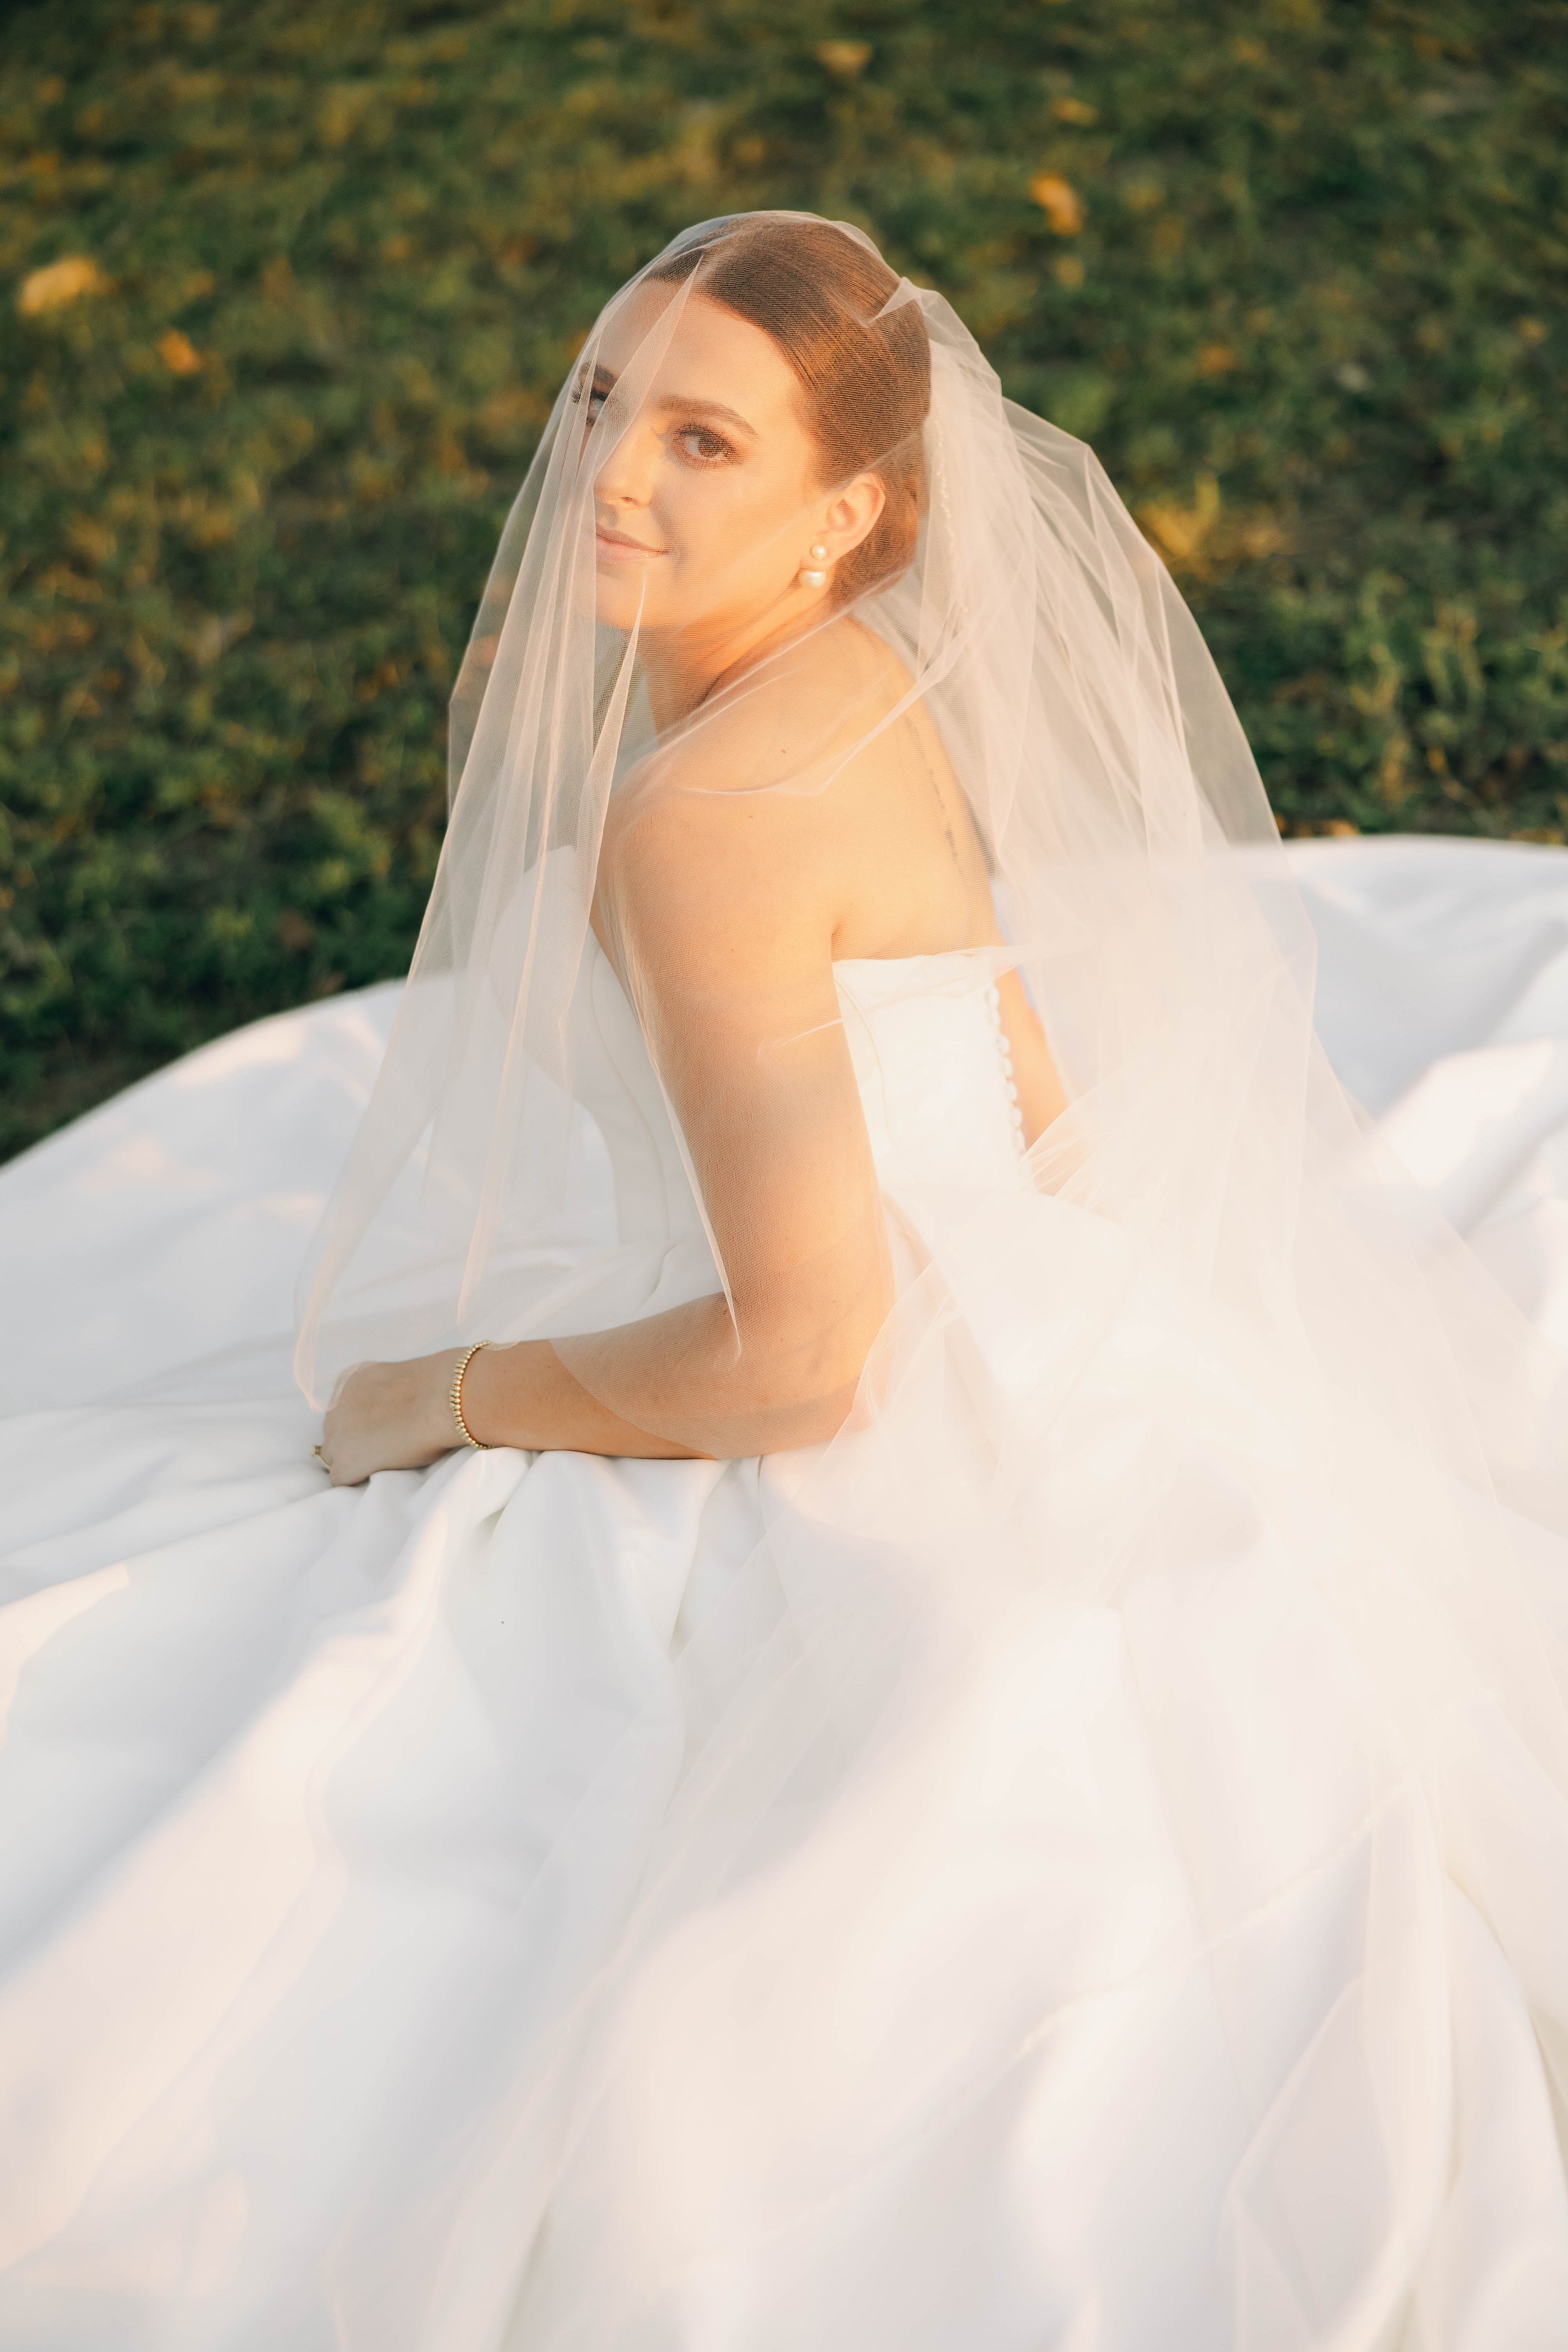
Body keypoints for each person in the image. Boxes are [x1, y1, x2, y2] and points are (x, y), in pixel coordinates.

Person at [1, 210, 1565, 2349]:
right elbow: (1007, 1066)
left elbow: (805, 1356)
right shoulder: (874, 668)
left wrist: (449, 1391)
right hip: (1015, 1294)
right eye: (598, 402)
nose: (614, 474)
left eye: (704, 442)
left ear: (851, 514)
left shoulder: (700, 819)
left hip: (836, 1373)